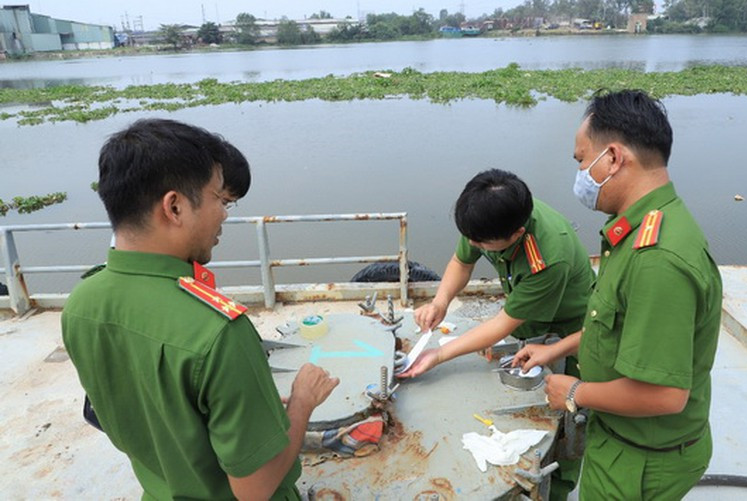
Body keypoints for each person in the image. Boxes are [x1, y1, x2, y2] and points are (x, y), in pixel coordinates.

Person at [62, 118, 339, 499]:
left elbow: (147, 411)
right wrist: (304, 402)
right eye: (217, 199)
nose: (224, 214)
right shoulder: (218, 332)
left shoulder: (81, 303)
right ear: (174, 207)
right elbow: (254, 489)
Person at [514, 90, 722, 500]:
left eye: (581, 160)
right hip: (623, 437)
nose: (580, 173)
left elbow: (666, 394)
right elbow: (616, 324)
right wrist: (558, 348)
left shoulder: (656, 258)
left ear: (612, 158)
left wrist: (573, 391)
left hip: (640, 458)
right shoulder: (641, 228)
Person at [400, 168, 593, 500]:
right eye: (471, 237)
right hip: (526, 313)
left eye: (480, 242)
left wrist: (439, 354)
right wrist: (441, 302)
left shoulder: (547, 257)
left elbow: (504, 324)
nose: (474, 244)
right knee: (521, 382)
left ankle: (556, 487)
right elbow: (462, 262)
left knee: (565, 415)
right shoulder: (486, 217)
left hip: (570, 327)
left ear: (516, 234)